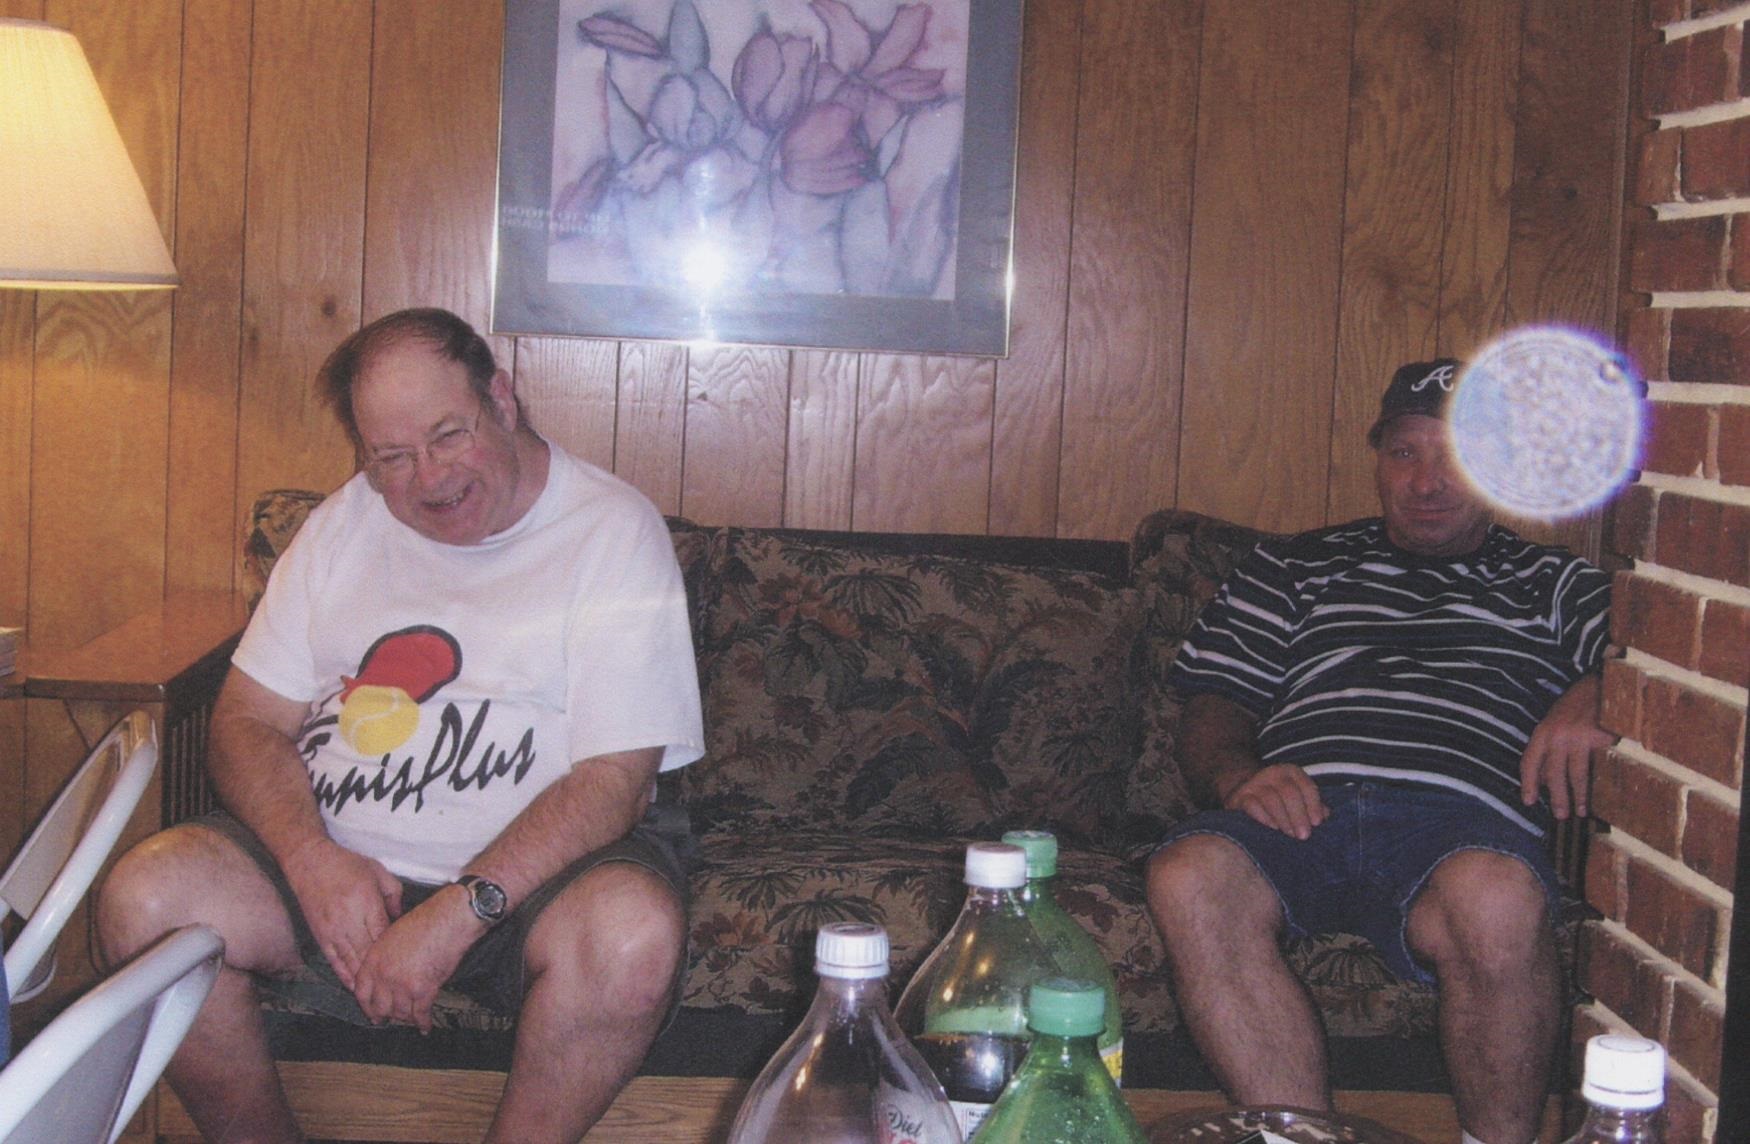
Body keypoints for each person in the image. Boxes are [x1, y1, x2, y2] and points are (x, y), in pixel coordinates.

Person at [96, 308, 705, 1144]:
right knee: (144, 899)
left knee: (632, 938)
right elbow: (243, 722)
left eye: (449, 435)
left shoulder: (611, 530)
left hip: (532, 894)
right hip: (333, 871)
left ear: (502, 399)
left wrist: (457, 912)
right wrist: (311, 860)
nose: (430, 478)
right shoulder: (340, 526)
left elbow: (616, 784)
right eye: (391, 458)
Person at [1145, 359, 1613, 1144]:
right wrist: (1237, 775)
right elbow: (1214, 702)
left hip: (1460, 829)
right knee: (1188, 874)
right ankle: (1301, 1138)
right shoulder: (1292, 566)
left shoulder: (1556, 582)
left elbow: (1657, 663)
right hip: (1303, 812)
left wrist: (1598, 690)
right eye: (1404, 453)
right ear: (1379, 460)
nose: (1426, 482)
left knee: (1498, 899)